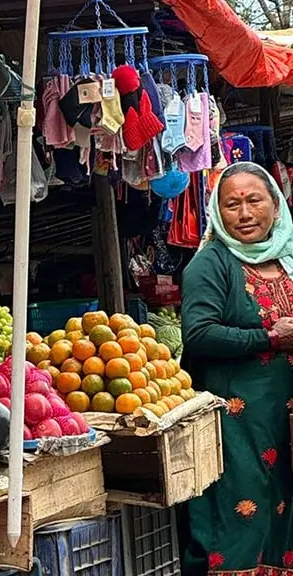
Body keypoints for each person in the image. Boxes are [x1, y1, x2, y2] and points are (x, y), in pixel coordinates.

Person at [181, 161, 293, 575]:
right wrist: (270, 338)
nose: (244, 214)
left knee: (285, 522)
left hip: (286, 425)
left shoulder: (288, 259)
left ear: (276, 206)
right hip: (236, 428)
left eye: (254, 201)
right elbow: (199, 333)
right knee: (239, 522)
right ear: (217, 212)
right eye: (232, 204)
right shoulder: (212, 264)